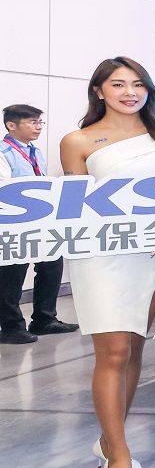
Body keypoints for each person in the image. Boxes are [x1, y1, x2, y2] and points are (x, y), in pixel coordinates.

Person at [58, 58, 155, 468]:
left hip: (152, 256)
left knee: (134, 346)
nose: (130, 92)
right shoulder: (77, 141)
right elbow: (72, 208)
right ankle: (118, 454)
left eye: (138, 84)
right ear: (99, 90)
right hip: (101, 257)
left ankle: (109, 439)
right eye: (118, 84)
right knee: (112, 351)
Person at [0, 104, 78, 343]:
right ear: (11, 125)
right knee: (12, 273)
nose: (39, 127)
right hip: (13, 222)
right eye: (32, 122)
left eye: (40, 122)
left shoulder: (34, 151)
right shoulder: (3, 152)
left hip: (40, 220)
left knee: (52, 263)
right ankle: (11, 327)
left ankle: (44, 319)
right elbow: (5, 189)